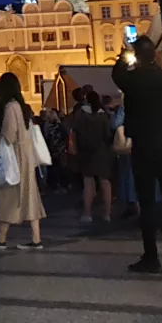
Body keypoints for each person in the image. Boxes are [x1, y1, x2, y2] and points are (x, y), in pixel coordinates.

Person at [112, 35, 162, 274]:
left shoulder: (132, 80)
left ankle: (151, 256)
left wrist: (124, 54)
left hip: (143, 147)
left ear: (137, 56)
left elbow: (116, 74)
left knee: (147, 203)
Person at [0, 71, 44, 250]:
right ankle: (36, 238)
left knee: (8, 195)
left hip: (15, 157)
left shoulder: (10, 107)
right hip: (27, 157)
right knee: (29, 196)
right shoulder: (24, 107)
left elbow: (9, 134)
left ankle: (1, 238)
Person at [70, 89, 114, 225]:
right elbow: (108, 135)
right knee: (105, 182)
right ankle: (107, 213)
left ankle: (87, 213)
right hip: (102, 151)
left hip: (86, 152)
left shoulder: (80, 114)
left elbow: (74, 131)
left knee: (88, 182)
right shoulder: (103, 115)